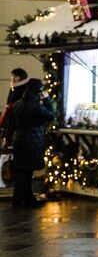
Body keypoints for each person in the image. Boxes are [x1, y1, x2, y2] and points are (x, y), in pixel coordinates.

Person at [9, 78, 55, 208]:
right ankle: (22, 200)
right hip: (32, 141)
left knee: (22, 172)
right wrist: (47, 99)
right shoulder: (35, 107)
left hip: (19, 140)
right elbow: (51, 115)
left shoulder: (18, 103)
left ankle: (24, 198)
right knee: (26, 172)